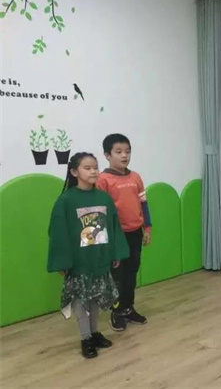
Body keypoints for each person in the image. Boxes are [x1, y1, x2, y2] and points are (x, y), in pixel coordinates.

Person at [47, 152, 129, 358]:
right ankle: (85, 339)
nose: (93, 171)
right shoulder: (66, 200)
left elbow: (113, 227)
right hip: (79, 262)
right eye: (87, 168)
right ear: (74, 172)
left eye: (95, 167)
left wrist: (115, 253)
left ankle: (94, 333)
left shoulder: (103, 198)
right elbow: (58, 232)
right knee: (81, 302)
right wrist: (63, 261)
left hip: (99, 259)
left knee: (95, 299)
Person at [96, 134, 152, 331]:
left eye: (127, 151)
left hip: (135, 233)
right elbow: (99, 213)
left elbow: (144, 204)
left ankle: (128, 308)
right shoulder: (102, 180)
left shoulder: (135, 177)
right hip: (115, 237)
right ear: (107, 155)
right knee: (116, 276)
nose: (124, 156)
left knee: (131, 273)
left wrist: (147, 228)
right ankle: (117, 311)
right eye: (118, 152)